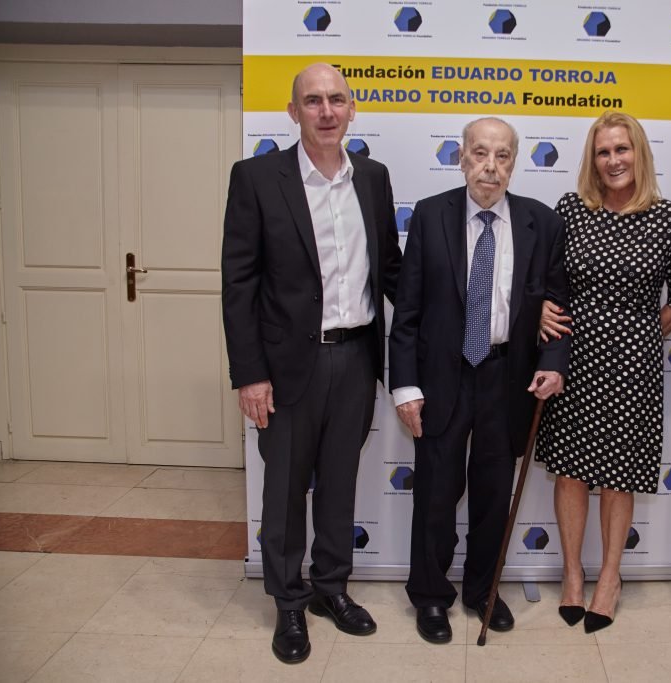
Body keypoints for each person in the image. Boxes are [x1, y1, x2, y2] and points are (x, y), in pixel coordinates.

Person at [221, 63, 401, 664]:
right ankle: (289, 601)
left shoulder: (372, 178)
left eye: (337, 100)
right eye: (314, 100)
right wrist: (250, 374)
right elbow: (239, 285)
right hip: (285, 367)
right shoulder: (256, 178)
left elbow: (392, 270)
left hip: (356, 359)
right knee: (284, 490)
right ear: (293, 111)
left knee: (340, 483)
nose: (327, 111)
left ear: (352, 109)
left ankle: (331, 587)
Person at [388, 117, 569, 645]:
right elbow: (408, 310)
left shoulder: (541, 222)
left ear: (515, 162)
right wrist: (405, 386)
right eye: (481, 153)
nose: (491, 166)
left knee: (493, 496)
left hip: (506, 377)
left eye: (503, 155)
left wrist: (553, 361)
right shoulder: (431, 215)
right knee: (436, 495)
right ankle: (430, 594)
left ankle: (482, 591)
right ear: (461, 157)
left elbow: (556, 305)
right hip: (442, 378)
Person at [535, 111, 671, 633]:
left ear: (639, 153)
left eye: (621, 149)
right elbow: (547, 281)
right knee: (571, 470)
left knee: (619, 474)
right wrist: (542, 310)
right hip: (573, 360)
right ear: (592, 159)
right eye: (603, 152)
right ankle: (572, 573)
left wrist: (640, 334)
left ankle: (610, 576)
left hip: (633, 367)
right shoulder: (571, 210)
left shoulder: (670, 219)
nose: (613, 160)